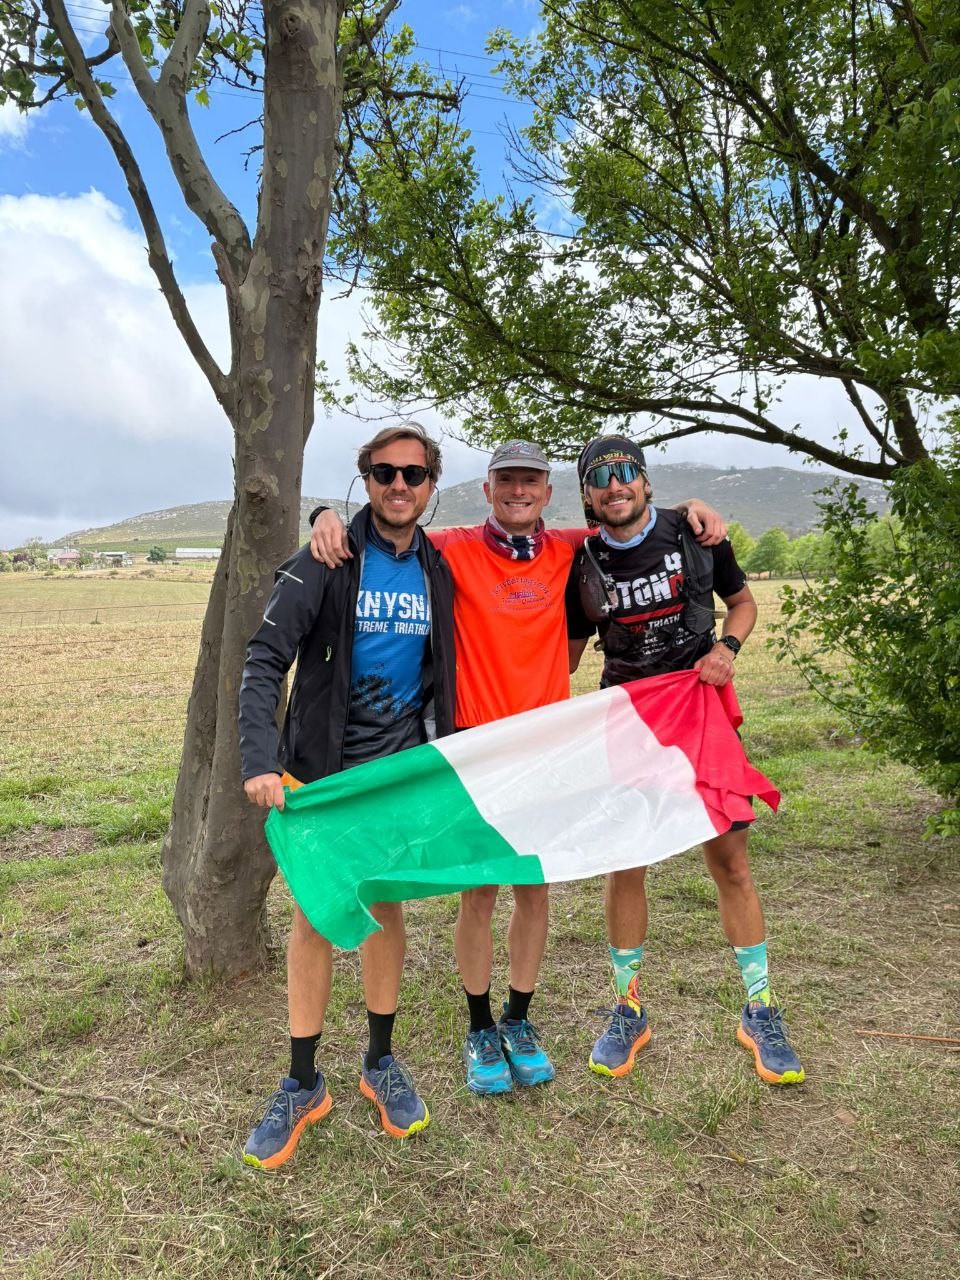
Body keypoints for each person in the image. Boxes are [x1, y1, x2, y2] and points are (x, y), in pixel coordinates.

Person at [311, 439, 728, 1096]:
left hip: (546, 750)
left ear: (547, 491)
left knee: (535, 889)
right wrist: (321, 517)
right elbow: (387, 525)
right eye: (506, 480)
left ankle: (518, 1018)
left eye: (530, 481)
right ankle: (480, 1026)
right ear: (488, 489)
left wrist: (692, 508)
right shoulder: (451, 547)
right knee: (479, 892)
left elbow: (630, 519)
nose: (518, 491)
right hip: (476, 751)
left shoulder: (568, 548)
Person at [238, 423, 456, 1168]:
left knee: (385, 909)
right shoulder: (326, 558)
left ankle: (380, 1061)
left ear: (430, 486)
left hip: (396, 775)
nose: (399, 485)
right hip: (322, 776)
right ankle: (303, 1081)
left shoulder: (437, 565)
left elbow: (528, 536)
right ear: (366, 479)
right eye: (384, 472)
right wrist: (260, 760)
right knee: (316, 916)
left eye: (413, 474)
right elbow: (264, 658)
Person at [566, 435, 804, 1086]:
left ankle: (760, 1009)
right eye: (600, 477)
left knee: (731, 862)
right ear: (587, 495)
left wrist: (727, 648)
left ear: (645, 481)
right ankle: (628, 1008)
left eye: (626, 471)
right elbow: (566, 650)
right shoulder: (581, 560)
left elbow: (743, 603)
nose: (615, 485)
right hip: (627, 722)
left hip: (698, 715)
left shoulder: (694, 534)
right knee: (626, 863)